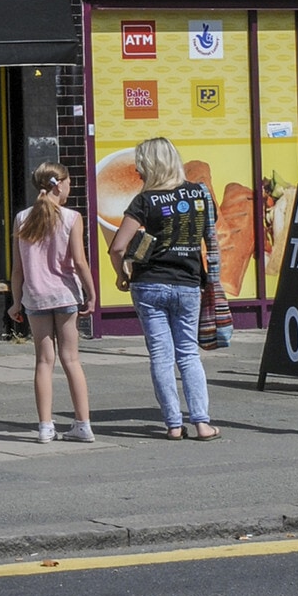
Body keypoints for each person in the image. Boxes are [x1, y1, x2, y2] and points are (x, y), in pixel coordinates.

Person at [107, 136, 221, 441]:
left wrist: (121, 275)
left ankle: (173, 425)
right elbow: (210, 235)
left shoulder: (144, 200)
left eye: (141, 164)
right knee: (188, 354)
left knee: (160, 355)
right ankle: (202, 423)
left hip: (149, 283)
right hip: (187, 283)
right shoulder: (200, 193)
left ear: (150, 165)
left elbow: (118, 247)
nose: (138, 170)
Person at [7, 162, 96, 443]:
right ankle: (83, 425)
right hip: (66, 295)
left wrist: (15, 302)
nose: (72, 187)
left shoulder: (22, 218)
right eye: (69, 182)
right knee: (72, 360)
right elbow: (80, 262)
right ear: (59, 184)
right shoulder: (71, 217)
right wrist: (91, 294)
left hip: (35, 296)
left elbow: (17, 269)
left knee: (44, 361)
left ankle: (45, 426)